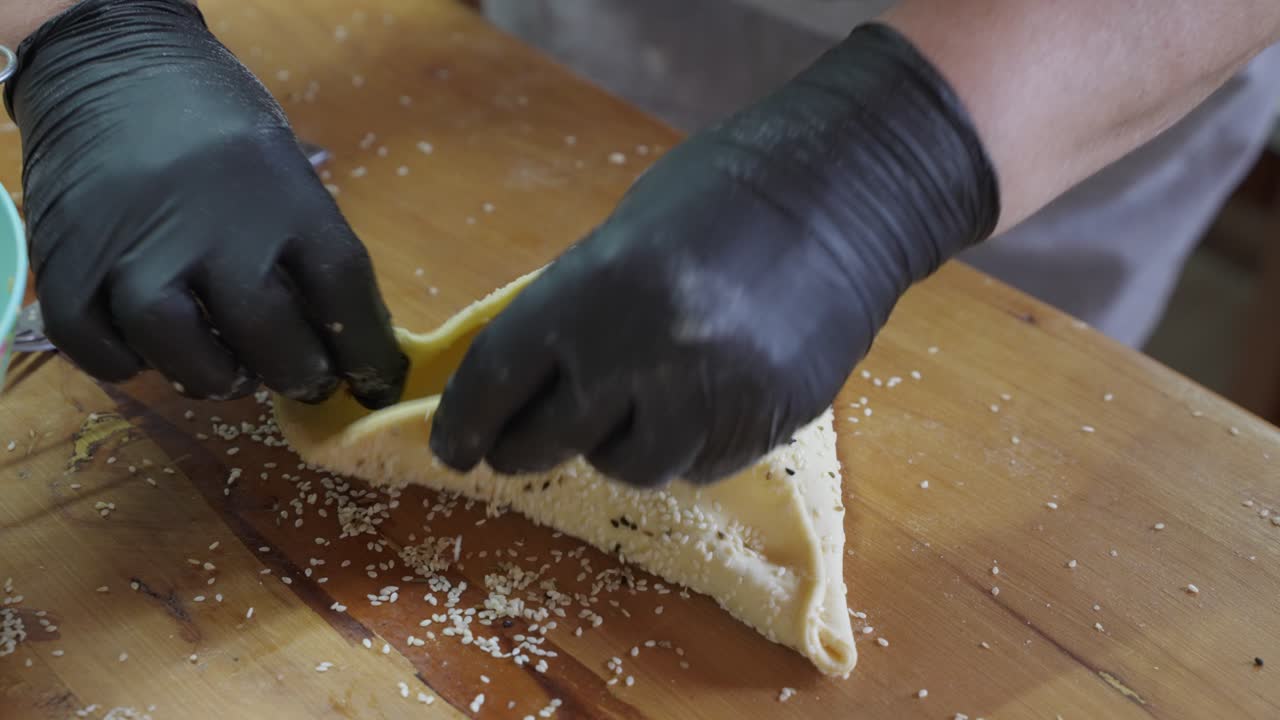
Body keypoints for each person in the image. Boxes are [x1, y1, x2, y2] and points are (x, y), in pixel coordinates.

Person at [4, 0, 1279, 488]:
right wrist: (90, 30)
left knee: (961, 413)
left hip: (1052, 79)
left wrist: (904, 163)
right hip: (543, 56)